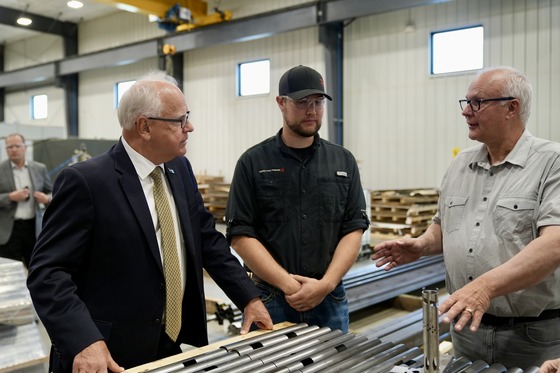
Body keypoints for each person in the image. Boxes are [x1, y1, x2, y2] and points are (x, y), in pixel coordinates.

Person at [26, 71, 272, 373]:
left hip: (168, 345)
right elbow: (47, 273)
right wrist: (83, 339)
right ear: (144, 126)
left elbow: (207, 240)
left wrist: (249, 298)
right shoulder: (87, 182)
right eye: (180, 121)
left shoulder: (179, 169)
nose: (190, 127)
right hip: (106, 354)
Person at [371, 66, 560, 368]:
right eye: (466, 102)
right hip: (466, 330)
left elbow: (554, 245)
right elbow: (443, 226)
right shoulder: (460, 165)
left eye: (477, 102)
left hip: (532, 336)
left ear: (512, 107)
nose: (466, 112)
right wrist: (422, 244)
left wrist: (485, 288)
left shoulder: (552, 163)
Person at [225, 65, 370, 333]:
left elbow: (353, 229)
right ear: (281, 103)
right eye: (302, 103)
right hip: (272, 300)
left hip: (329, 298)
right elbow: (241, 234)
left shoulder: (343, 161)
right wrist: (291, 286)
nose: (312, 111)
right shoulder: (252, 162)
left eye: (317, 102)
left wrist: (324, 285)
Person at [0, 133, 52, 267]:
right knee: (9, 272)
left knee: (36, 269)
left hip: (33, 229)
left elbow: (53, 192)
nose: (13, 149)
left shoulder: (39, 168)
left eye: (17, 146)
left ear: (25, 147)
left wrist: (46, 199)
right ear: (6, 149)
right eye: (9, 147)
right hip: (9, 232)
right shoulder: (1, 169)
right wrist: (10, 197)